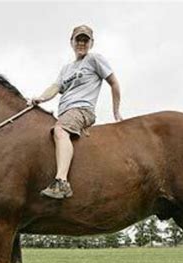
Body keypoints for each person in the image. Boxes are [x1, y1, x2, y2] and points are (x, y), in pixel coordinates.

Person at [29, 25, 122, 199]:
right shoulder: (66, 69)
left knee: (60, 130)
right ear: (71, 42)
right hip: (64, 112)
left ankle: (62, 182)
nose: (81, 43)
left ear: (91, 43)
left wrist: (116, 112)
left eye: (85, 40)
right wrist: (40, 98)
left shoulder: (94, 59)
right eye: (78, 39)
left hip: (82, 109)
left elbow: (114, 83)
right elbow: (55, 87)